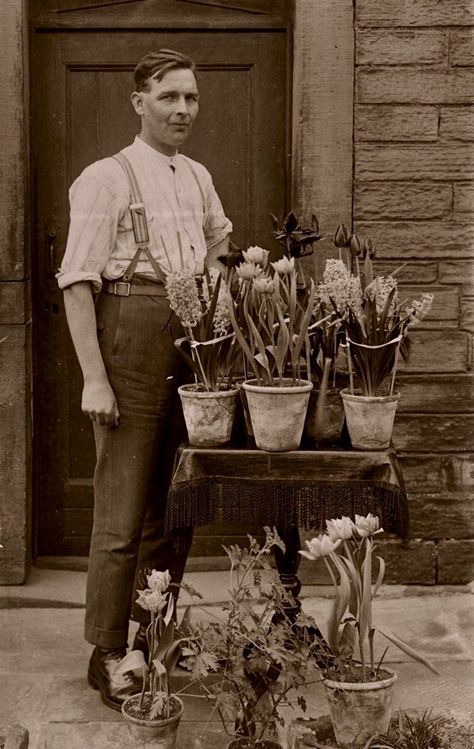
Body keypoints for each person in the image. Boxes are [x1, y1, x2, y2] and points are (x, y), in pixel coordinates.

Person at [57, 49, 232, 711]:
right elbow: (77, 283)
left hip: (192, 336)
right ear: (139, 101)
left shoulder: (197, 176)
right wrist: (93, 379)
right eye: (169, 97)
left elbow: (218, 248)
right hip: (130, 326)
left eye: (190, 97)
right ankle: (107, 651)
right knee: (123, 505)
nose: (182, 109)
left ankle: (154, 631)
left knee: (176, 499)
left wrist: (220, 305)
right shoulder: (106, 178)